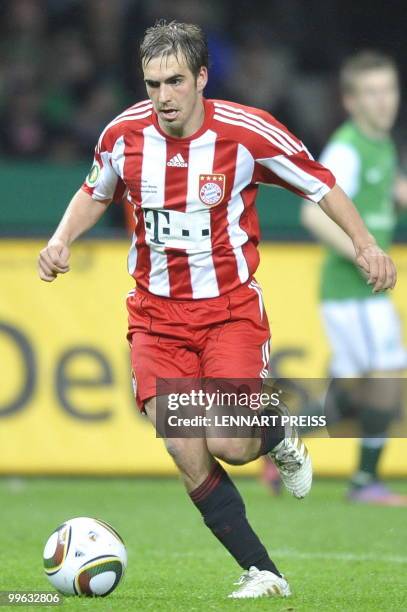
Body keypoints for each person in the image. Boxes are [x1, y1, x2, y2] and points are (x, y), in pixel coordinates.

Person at [38, 22, 396, 598]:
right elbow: (95, 190)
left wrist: (365, 244)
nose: (163, 96)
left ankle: (278, 432)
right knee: (183, 443)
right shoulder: (124, 135)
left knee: (230, 440)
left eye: (175, 80)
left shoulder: (248, 133)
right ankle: (264, 572)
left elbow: (320, 184)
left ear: (202, 77)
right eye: (152, 83)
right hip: (155, 317)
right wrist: (60, 240)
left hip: (229, 310)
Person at [302, 51, 407, 506]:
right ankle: (365, 484)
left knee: (349, 392)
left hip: (359, 292)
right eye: (372, 92)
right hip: (353, 291)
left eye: (389, 90)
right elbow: (313, 214)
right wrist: (366, 253)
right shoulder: (347, 147)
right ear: (350, 100)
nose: (384, 101)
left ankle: (277, 437)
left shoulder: (380, 144)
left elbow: (389, 193)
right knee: (389, 375)